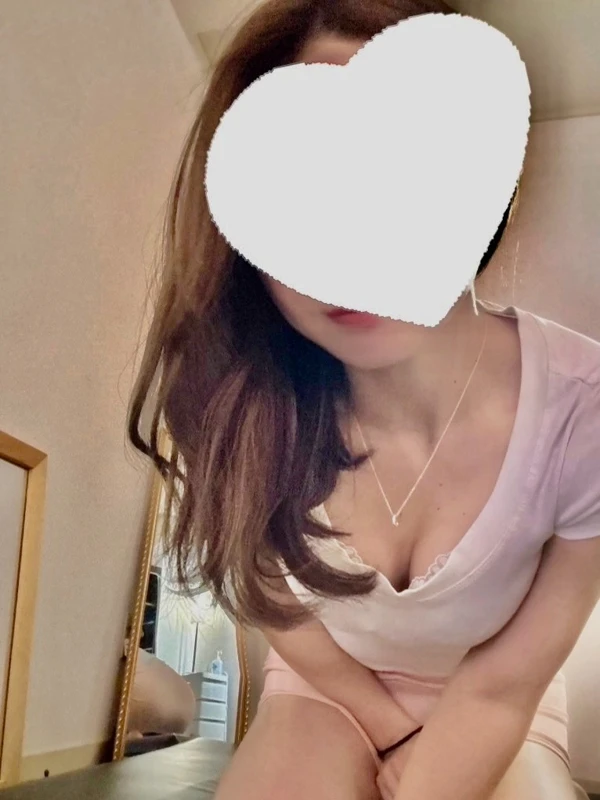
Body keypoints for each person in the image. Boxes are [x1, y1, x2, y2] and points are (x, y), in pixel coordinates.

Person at [127, 1, 600, 798]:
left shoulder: (584, 410)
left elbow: (501, 686)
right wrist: (385, 733)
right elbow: (277, 609)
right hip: (327, 682)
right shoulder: (244, 404)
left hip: (499, 693)